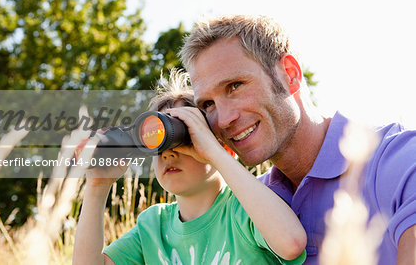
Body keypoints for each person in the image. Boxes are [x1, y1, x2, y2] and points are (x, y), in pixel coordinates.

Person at [178, 15, 416, 265]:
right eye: (208, 104)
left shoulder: (401, 161)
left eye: (235, 86)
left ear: (290, 75)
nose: (224, 119)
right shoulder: (247, 208)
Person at [72, 70, 307, 265]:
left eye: (185, 140)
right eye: (158, 145)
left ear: (224, 148)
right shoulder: (153, 227)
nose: (170, 152)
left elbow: (291, 244)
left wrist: (214, 154)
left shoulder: (247, 208)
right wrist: (98, 185)